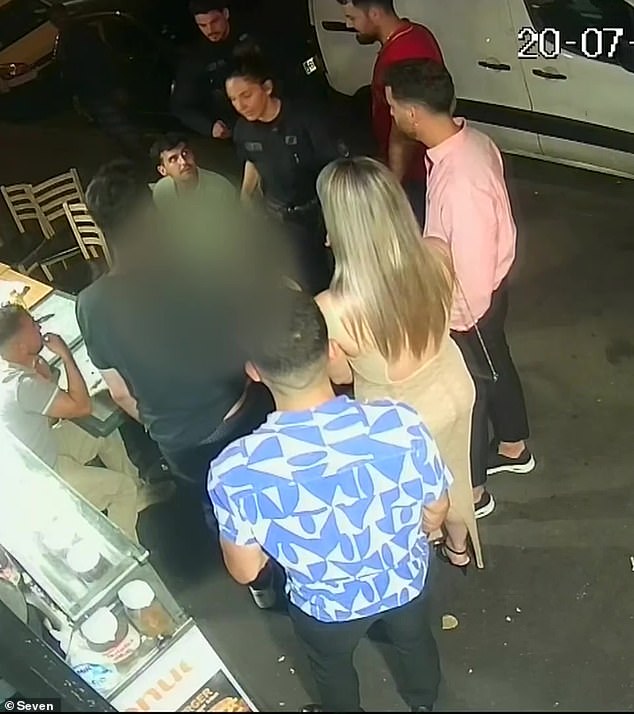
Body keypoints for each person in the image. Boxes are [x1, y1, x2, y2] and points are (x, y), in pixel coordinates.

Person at [208, 289, 451, 714]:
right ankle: (424, 702)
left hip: (324, 606)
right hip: (404, 580)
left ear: (254, 372)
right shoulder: (399, 423)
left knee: (331, 668)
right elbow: (437, 507)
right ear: (333, 351)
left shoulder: (236, 470)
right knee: (415, 643)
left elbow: (246, 571)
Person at [316, 157, 489, 570]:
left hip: (398, 417)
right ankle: (459, 548)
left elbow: (341, 376)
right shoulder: (436, 254)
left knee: (412, 492)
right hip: (453, 384)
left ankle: (422, 550)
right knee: (456, 474)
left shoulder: (331, 308)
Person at [75, 159, 275, 497]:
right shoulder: (198, 268)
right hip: (242, 417)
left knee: (221, 516)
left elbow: (120, 393)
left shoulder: (90, 305)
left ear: (102, 228)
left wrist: (173, 425)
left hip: (181, 447)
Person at [384, 59, 535, 489]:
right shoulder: (473, 141)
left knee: (470, 395)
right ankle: (513, 446)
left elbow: (468, 274)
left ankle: (474, 491)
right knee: (497, 367)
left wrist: (448, 323)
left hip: (471, 305)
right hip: (490, 290)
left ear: (413, 114)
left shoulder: (459, 184)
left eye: (394, 108)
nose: (392, 116)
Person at [0, 305, 169, 542]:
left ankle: (138, 495)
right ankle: (127, 550)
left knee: (100, 430)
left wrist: (45, 375)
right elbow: (81, 406)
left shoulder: (11, 373)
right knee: (120, 488)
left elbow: (48, 416)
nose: (39, 327)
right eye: (32, 326)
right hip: (43, 474)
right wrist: (66, 356)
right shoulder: (24, 386)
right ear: (20, 346)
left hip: (41, 448)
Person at [227, 57, 348, 295]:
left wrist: (336, 220)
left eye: (246, 95)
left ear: (267, 88)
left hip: (321, 211)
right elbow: (252, 162)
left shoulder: (305, 119)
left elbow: (335, 166)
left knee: (343, 275)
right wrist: (245, 198)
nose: (240, 105)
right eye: (233, 99)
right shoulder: (242, 130)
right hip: (286, 220)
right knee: (310, 282)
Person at [337, 0, 443, 225]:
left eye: (352, 18)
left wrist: (393, 186)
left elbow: (404, 131)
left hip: (414, 175)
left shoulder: (402, 53)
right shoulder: (415, 35)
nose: (348, 25)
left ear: (374, 13)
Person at [48, 3, 144, 159]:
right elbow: (72, 70)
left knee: (122, 128)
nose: (59, 21)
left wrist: (115, 86)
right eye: (55, 19)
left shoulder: (80, 34)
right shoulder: (66, 37)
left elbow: (102, 60)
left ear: (66, 14)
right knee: (115, 129)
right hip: (91, 92)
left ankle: (142, 159)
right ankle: (136, 158)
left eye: (59, 17)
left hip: (101, 89)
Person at [171, 0, 263, 139]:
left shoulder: (252, 34)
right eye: (202, 25)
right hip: (237, 131)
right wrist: (209, 127)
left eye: (214, 22)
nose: (210, 30)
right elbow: (181, 106)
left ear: (225, 14)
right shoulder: (195, 58)